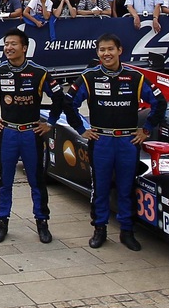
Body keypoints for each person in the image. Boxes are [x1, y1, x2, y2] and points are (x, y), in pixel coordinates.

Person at [68, 32, 161, 251]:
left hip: (127, 142)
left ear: (120, 51)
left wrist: (146, 130)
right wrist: (82, 129)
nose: (106, 53)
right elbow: (68, 102)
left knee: (126, 187)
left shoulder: (135, 77)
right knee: (100, 187)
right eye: (102, 50)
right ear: (97, 53)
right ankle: (99, 228)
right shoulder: (89, 77)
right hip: (101, 141)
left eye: (110, 49)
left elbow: (159, 102)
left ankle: (127, 231)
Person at [0, 29, 65, 244]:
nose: (8, 48)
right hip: (7, 133)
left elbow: (60, 97)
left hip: (31, 134)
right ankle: (2, 221)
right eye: (6, 44)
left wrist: (51, 122)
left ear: (24, 47)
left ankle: (42, 222)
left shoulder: (39, 72)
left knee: (36, 181)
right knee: (4, 180)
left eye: (13, 44)